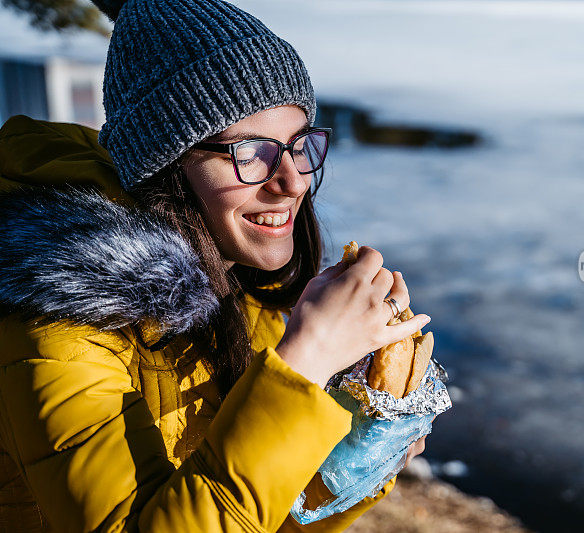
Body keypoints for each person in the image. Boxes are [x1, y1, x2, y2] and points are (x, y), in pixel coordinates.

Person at [0, 0, 430, 531]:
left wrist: (356, 455)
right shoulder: (56, 319)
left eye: (299, 146)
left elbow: (259, 515)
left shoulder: (241, 285)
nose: (293, 181)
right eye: (251, 153)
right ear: (166, 164)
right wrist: (305, 361)